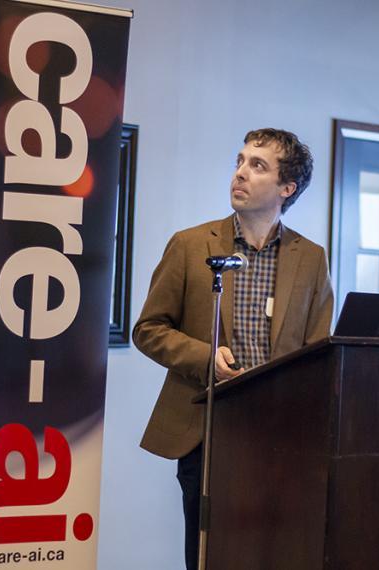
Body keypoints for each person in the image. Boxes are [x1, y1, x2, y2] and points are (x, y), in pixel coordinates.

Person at [132, 128, 334, 569]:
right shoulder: (190, 246)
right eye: (239, 161)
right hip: (206, 431)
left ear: (287, 188)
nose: (240, 173)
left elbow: (321, 353)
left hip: (281, 439)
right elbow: (148, 329)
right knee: (208, 557)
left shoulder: (311, 258)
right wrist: (207, 358)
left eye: (257, 165)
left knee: (274, 555)